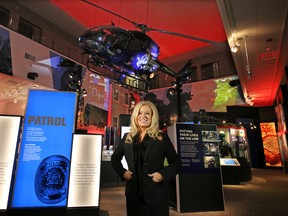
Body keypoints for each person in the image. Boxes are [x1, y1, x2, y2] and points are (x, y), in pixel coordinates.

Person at [111, 100, 181, 216]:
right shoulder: (127, 138)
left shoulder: (161, 138)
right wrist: (123, 173)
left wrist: (162, 175)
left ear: (152, 116)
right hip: (133, 195)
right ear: (135, 116)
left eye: (147, 113)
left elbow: (177, 163)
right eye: (139, 113)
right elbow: (115, 159)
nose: (143, 116)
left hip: (156, 195)